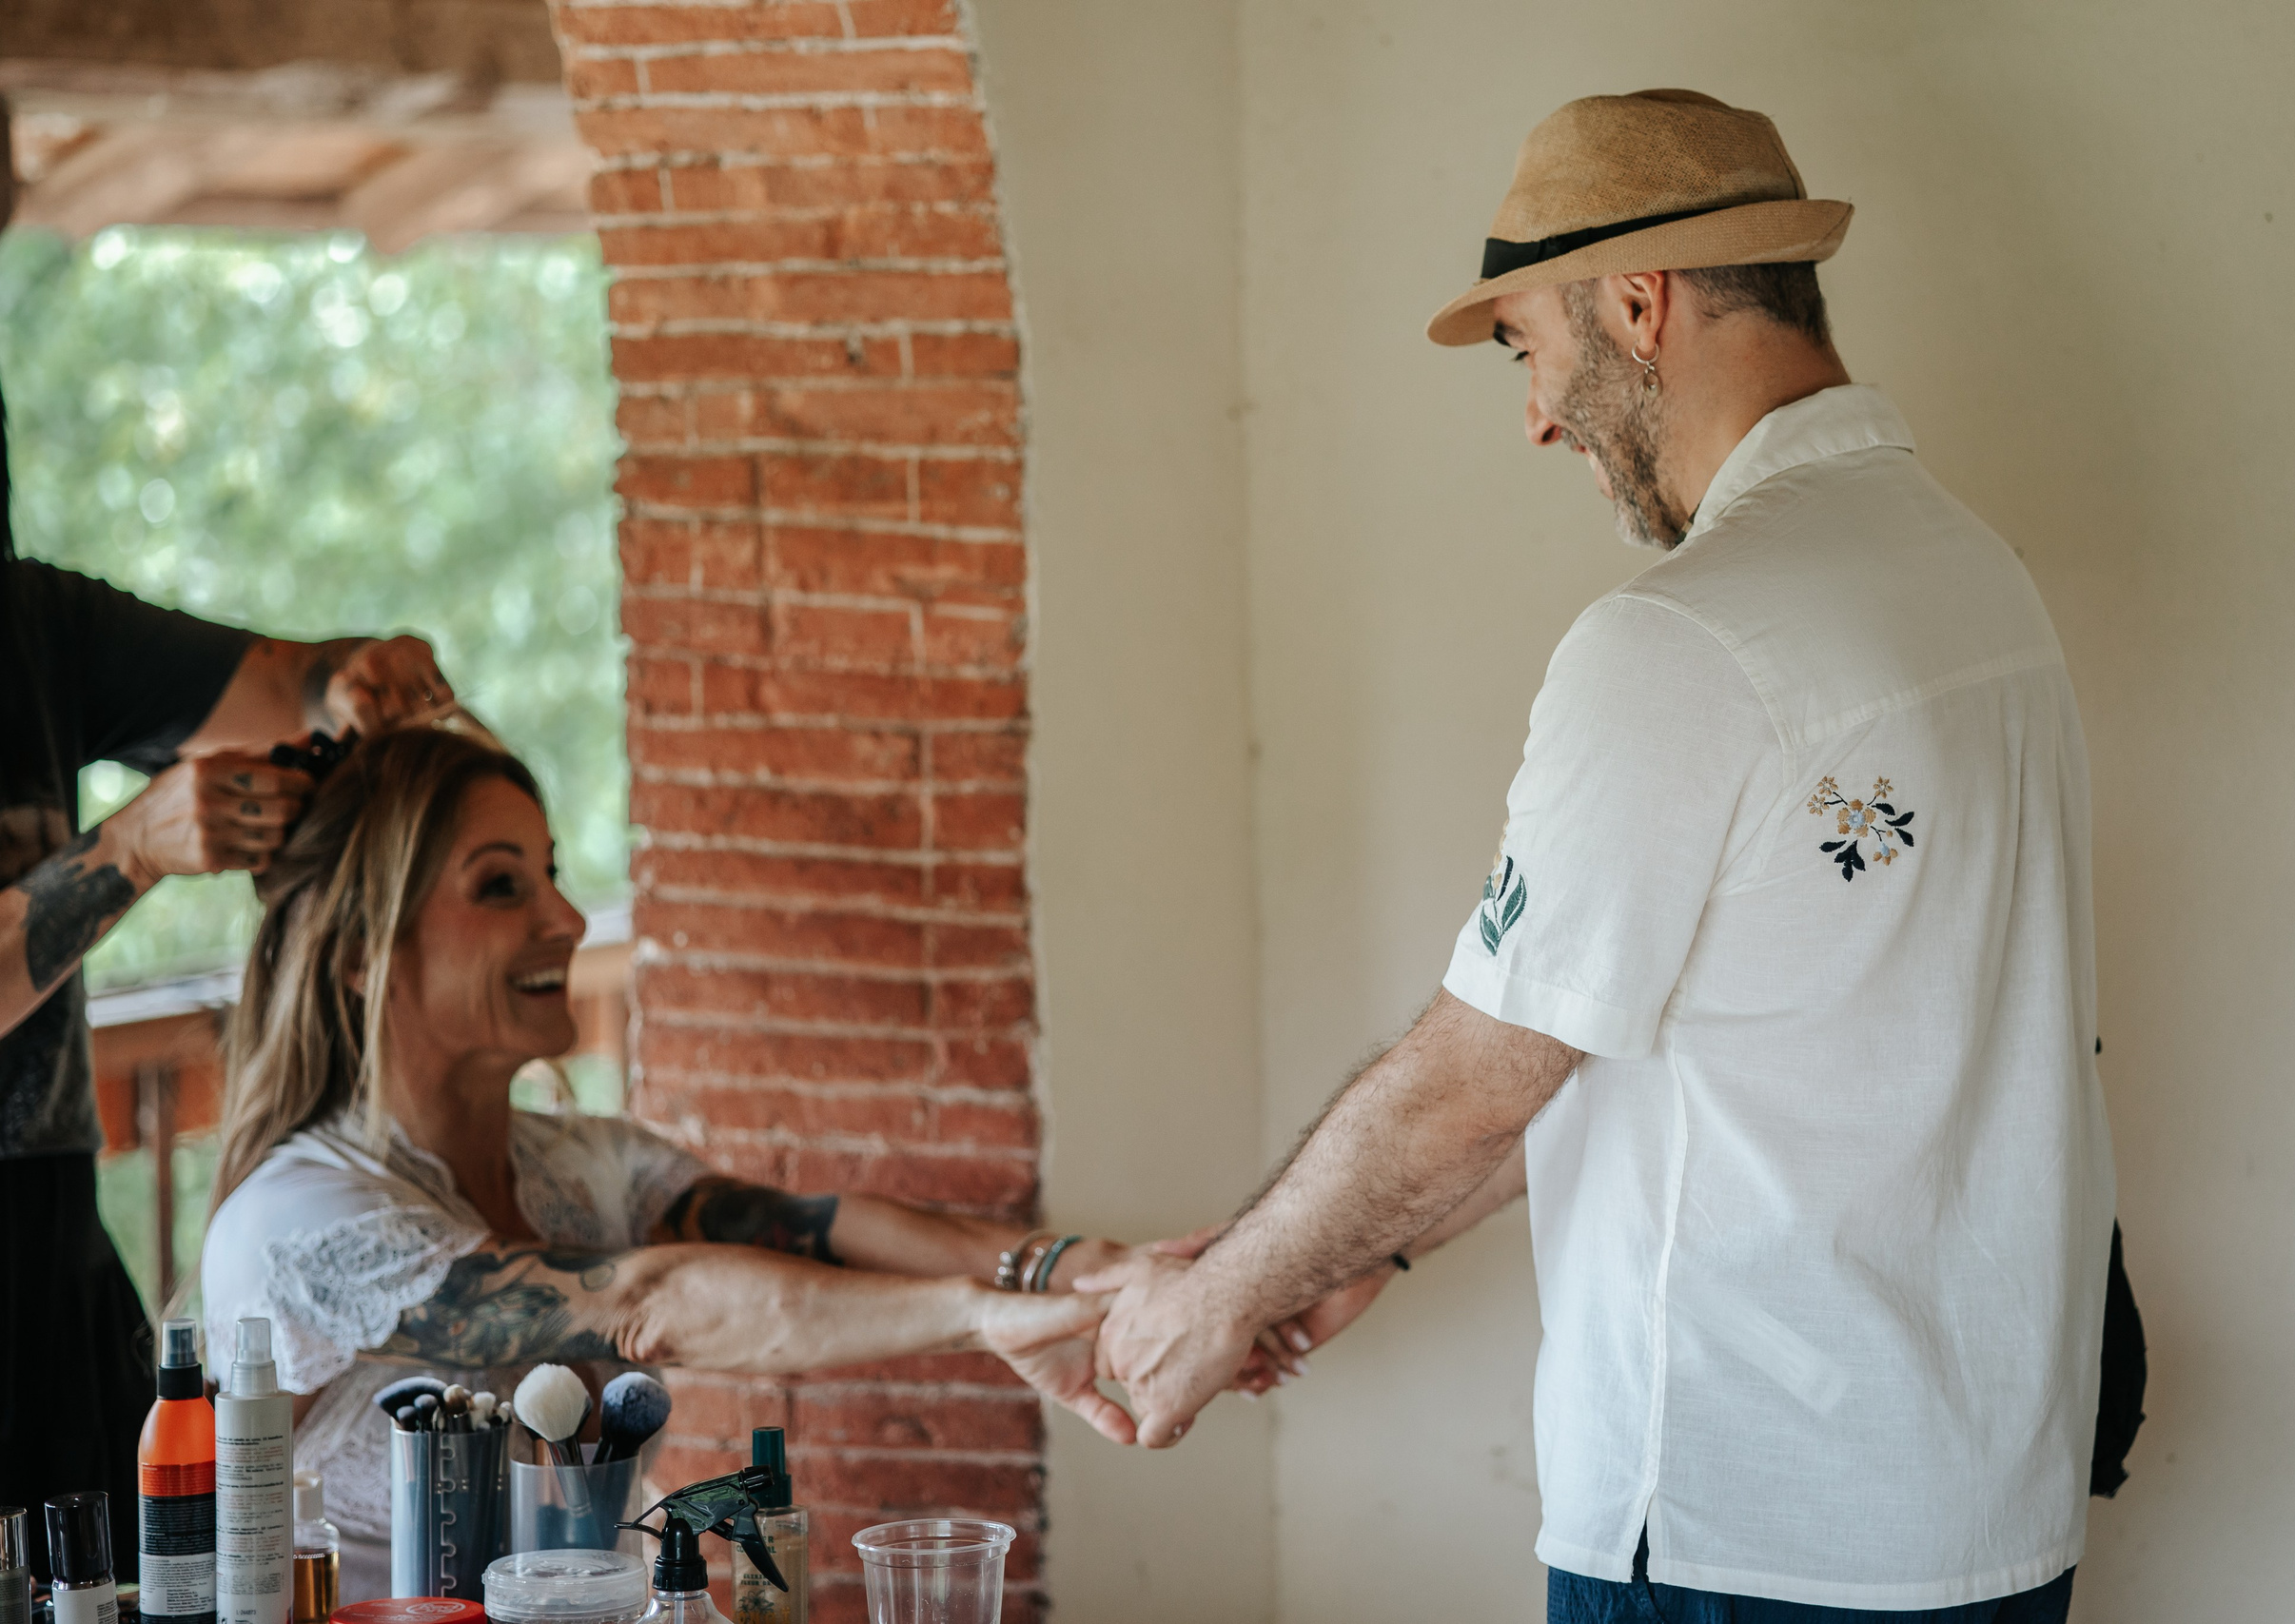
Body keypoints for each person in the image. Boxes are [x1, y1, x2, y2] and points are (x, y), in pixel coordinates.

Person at [1081, 91, 2116, 1620]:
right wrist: (1374, 1249)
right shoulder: (1973, 576)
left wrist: (1218, 1294)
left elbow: (1475, 1072)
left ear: (1640, 303)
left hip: (1735, 1528)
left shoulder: (1684, 639)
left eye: (1528, 345)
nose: (1536, 413)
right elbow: (1678, 1034)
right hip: (1977, 1512)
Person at [200, 725, 1298, 1599]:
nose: (568, 918)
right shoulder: (300, 1220)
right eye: (501, 887)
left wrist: (1089, 1272)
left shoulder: (585, 1168)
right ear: (356, 954)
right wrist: (978, 1319)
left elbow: (808, 1224)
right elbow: (650, 1300)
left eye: (551, 875)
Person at [0, 383, 461, 1582]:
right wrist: (129, 848)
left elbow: (284, 680)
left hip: (48, 1236)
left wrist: (353, 681)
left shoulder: (36, 621)